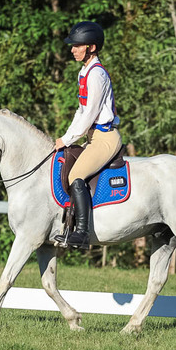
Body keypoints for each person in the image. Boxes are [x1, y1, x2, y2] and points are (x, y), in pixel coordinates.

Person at [53, 21, 122, 249]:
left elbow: (90, 114)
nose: (72, 49)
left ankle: (82, 233)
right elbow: (80, 111)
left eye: (77, 46)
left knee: (76, 176)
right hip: (92, 137)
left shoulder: (96, 75)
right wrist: (67, 136)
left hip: (104, 138)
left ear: (91, 47)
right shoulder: (85, 71)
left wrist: (66, 140)